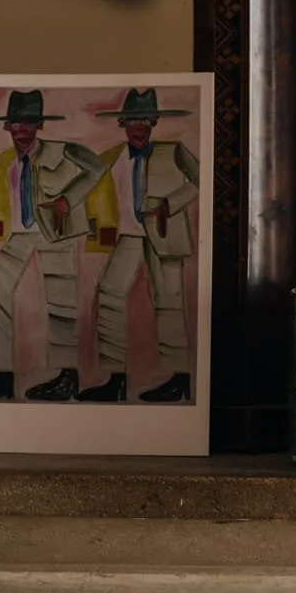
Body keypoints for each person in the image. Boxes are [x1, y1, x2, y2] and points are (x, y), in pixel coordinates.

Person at [0, 90, 107, 402]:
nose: (22, 129)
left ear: (40, 125)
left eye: (29, 122)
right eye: (16, 123)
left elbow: (97, 167)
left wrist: (69, 199)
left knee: (61, 302)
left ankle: (67, 377)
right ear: (7, 126)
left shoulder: (63, 150)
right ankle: (2, 377)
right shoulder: (0, 163)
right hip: (21, 233)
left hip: (57, 231)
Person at [82, 87, 199, 402]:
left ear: (154, 122)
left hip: (166, 234)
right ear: (123, 123)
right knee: (109, 291)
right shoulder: (111, 157)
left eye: (145, 120)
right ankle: (116, 379)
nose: (139, 127)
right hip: (129, 234)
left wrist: (170, 204)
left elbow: (203, 179)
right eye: (133, 120)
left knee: (170, 302)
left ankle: (180, 380)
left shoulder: (173, 151)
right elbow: (88, 189)